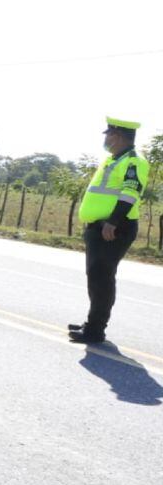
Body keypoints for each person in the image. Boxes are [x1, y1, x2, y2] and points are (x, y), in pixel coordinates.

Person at [68, 117, 150, 344]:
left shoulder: (134, 161)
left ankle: (95, 330)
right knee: (96, 277)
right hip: (100, 228)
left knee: (102, 278)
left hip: (114, 229)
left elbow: (130, 193)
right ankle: (93, 322)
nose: (106, 139)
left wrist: (113, 221)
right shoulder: (114, 159)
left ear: (118, 136)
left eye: (109, 134)